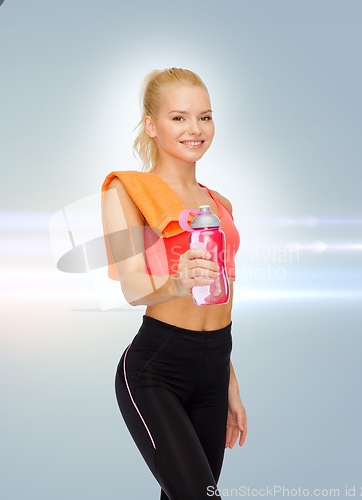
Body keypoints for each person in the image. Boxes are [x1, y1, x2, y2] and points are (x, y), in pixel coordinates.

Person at [101, 67, 247, 500]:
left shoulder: (219, 203)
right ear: (152, 125)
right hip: (157, 368)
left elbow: (220, 297)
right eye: (179, 117)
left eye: (204, 116)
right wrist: (177, 281)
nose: (195, 129)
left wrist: (229, 382)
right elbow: (132, 287)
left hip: (215, 366)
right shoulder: (127, 191)